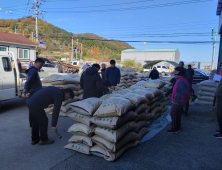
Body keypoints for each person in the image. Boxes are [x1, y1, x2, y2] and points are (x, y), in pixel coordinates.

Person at [168, 67, 191, 133]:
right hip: (180, 100)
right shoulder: (183, 79)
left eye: (175, 74)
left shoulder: (180, 81)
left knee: (173, 114)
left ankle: (175, 129)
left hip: (178, 100)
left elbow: (184, 91)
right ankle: (178, 128)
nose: (175, 76)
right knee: (177, 114)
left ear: (178, 74)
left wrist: (187, 98)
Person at [23, 58, 45, 129]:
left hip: (33, 93)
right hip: (33, 94)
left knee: (32, 110)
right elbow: (29, 80)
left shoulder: (33, 70)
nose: (41, 67)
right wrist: (25, 88)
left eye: (42, 65)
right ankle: (33, 126)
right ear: (36, 63)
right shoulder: (33, 71)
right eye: (40, 65)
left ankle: (32, 126)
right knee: (34, 111)